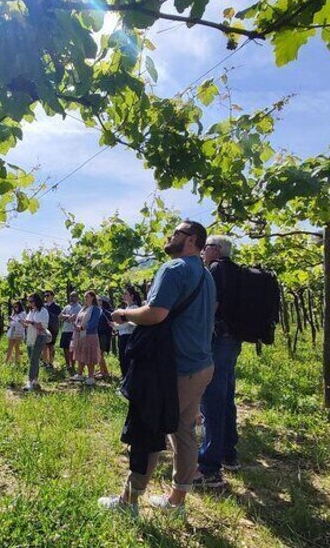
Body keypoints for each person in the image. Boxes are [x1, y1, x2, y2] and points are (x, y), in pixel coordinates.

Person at [99, 220, 215, 516]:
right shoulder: (205, 275)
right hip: (202, 365)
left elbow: (155, 313)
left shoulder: (174, 269)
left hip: (172, 369)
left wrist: (124, 314)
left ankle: (129, 502)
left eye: (176, 232)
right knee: (184, 431)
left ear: (191, 240)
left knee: (148, 430)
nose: (170, 236)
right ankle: (177, 502)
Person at [194, 235, 243, 487]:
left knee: (212, 398)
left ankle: (210, 467)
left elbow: (211, 305)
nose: (203, 251)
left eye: (207, 247)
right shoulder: (238, 272)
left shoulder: (214, 270)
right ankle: (229, 453)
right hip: (234, 340)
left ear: (217, 249)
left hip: (218, 338)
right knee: (226, 395)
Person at [69, 290, 102, 386]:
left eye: (87, 297)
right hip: (80, 335)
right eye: (84, 297)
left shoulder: (95, 309)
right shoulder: (83, 308)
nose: (85, 299)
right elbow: (78, 319)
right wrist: (75, 323)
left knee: (89, 355)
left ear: (92, 297)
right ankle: (80, 374)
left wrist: (83, 327)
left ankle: (91, 376)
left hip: (90, 335)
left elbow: (94, 323)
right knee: (80, 354)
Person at [22, 293, 50, 391]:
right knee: (33, 359)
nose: (30, 303)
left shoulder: (43, 311)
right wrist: (24, 324)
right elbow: (28, 325)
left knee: (34, 359)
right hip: (30, 337)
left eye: (32, 301)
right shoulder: (31, 312)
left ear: (37, 301)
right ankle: (35, 381)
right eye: (29, 302)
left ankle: (29, 382)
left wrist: (31, 322)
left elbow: (43, 326)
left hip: (39, 337)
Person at [113, 285, 142, 378]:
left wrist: (116, 326)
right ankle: (125, 379)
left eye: (126, 294)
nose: (123, 296)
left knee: (127, 360)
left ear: (132, 296)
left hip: (128, 337)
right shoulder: (127, 308)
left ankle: (128, 380)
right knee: (122, 359)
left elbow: (129, 324)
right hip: (122, 336)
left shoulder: (134, 308)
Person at [59, 292, 82, 374]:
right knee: (65, 348)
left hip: (73, 331)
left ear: (77, 297)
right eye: (70, 296)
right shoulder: (67, 307)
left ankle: (73, 365)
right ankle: (67, 364)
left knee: (72, 349)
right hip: (65, 330)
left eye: (73, 296)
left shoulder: (79, 307)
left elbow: (74, 318)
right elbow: (60, 316)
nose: (72, 298)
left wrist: (66, 318)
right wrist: (68, 317)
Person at [43, 291, 62, 368]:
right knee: (44, 345)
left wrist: (48, 312)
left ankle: (51, 361)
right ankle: (45, 361)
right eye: (45, 295)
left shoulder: (57, 306)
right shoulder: (43, 306)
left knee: (51, 345)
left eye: (48, 295)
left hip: (53, 328)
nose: (46, 297)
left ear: (52, 296)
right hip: (45, 327)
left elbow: (57, 316)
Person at [96, 296, 113, 379]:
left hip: (104, 335)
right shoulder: (102, 310)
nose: (98, 301)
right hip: (100, 334)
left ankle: (104, 373)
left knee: (100, 353)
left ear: (102, 302)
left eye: (99, 300)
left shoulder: (107, 311)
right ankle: (102, 370)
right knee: (99, 353)